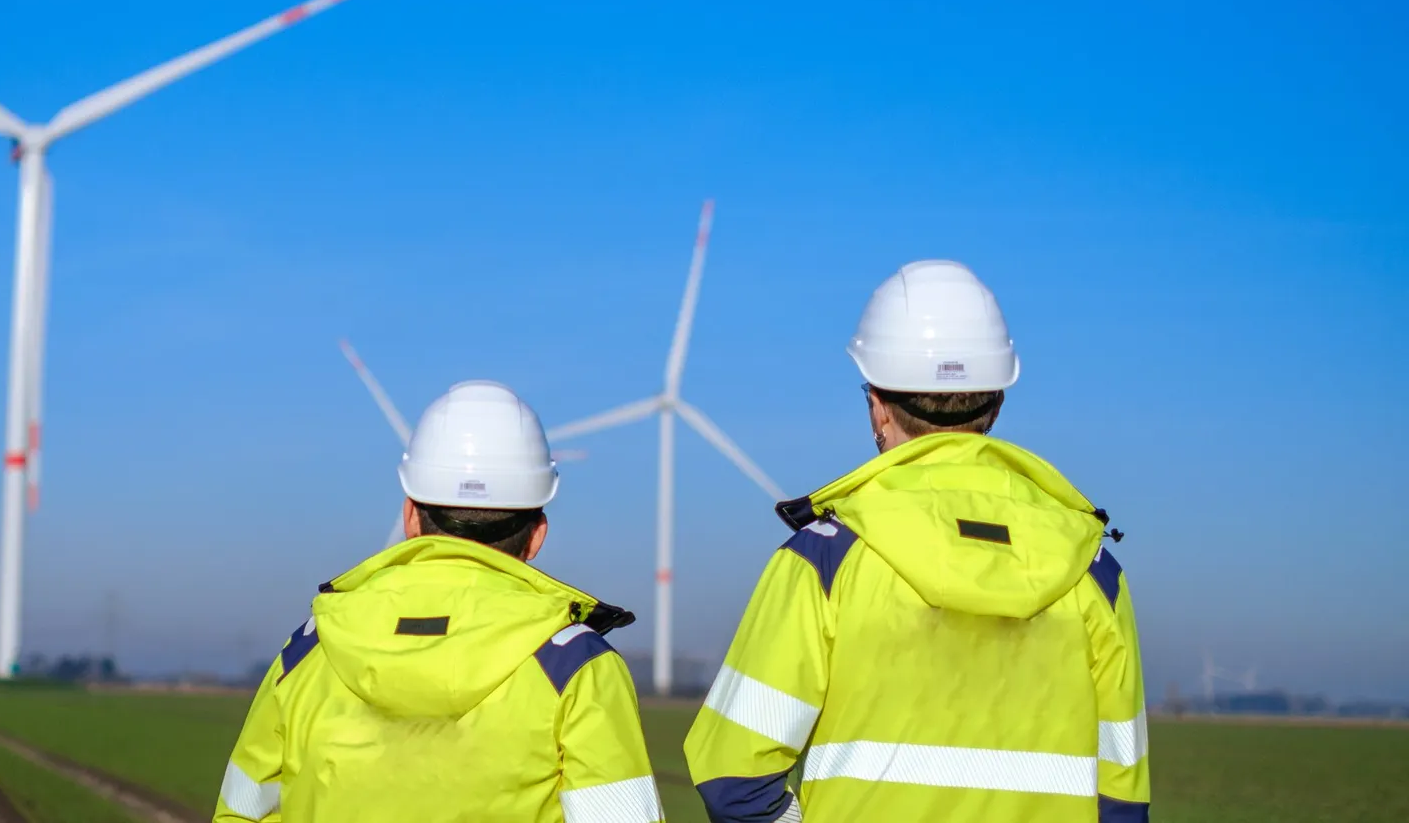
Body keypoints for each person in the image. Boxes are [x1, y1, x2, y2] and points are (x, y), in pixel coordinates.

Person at [685, 260, 1150, 822]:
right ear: (997, 402)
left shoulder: (828, 558)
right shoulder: (1092, 569)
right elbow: (1122, 802)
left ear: (877, 405)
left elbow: (733, 778)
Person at [214, 379, 662, 823]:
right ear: (538, 534)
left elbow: (240, 814)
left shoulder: (310, 650)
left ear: (410, 516)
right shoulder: (576, 669)